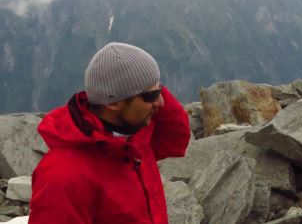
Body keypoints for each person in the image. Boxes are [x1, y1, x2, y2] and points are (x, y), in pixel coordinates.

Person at [29, 42, 191, 224]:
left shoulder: (136, 136)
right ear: (113, 103)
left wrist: (149, 85)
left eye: (160, 90)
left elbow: (176, 138)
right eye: (151, 96)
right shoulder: (63, 176)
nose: (162, 102)